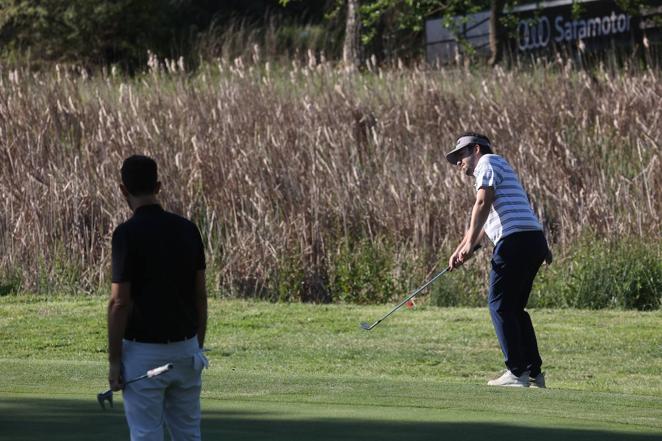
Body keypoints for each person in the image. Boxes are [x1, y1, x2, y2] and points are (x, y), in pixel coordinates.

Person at [108, 155, 209, 440]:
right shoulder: (188, 229)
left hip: (143, 354)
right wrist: (195, 346)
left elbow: (119, 302)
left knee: (146, 434)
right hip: (187, 349)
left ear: (123, 190)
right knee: (188, 434)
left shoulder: (126, 234)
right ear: (159, 186)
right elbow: (200, 296)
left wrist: (115, 362)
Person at [446, 132, 551, 388]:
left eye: (461, 154)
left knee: (500, 306)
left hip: (515, 242)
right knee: (514, 309)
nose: (459, 162)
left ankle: (516, 372)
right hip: (532, 241)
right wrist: (462, 248)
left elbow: (482, 202)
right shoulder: (497, 166)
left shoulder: (488, 163)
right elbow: (484, 222)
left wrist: (470, 245)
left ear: (477, 150)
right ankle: (534, 372)